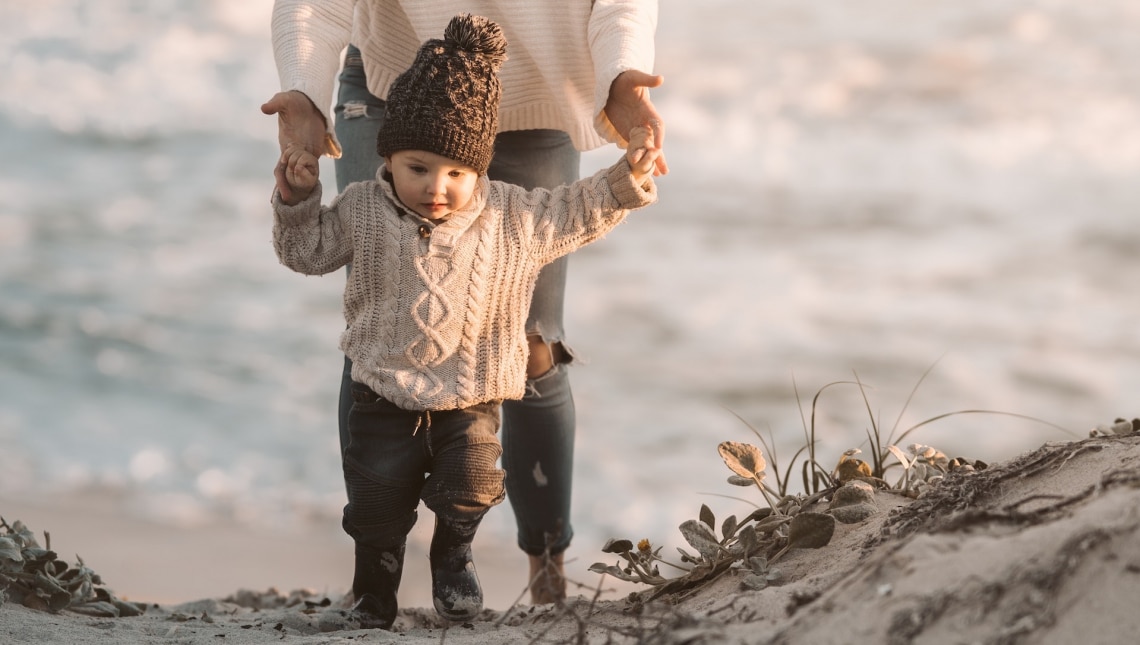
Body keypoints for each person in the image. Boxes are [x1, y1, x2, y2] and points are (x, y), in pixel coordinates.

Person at [261, 0, 667, 604]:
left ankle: (546, 565)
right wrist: (302, 91)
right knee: (383, 314)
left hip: (538, 90)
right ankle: (374, 558)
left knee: (532, 341)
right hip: (389, 81)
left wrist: (623, 76)